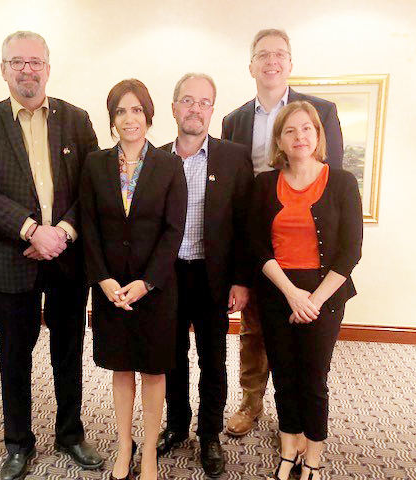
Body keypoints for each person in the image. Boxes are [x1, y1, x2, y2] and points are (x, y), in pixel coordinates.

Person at [0, 31, 102, 480]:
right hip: (10, 259)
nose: (27, 70)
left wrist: (61, 231)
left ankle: (71, 434)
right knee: (13, 357)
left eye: (35, 61)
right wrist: (30, 230)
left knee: (68, 352)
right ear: (3, 69)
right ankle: (18, 444)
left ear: (48, 66)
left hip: (66, 258)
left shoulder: (77, 121)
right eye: (17, 62)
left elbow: (92, 187)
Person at [222, 28, 345, 438]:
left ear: (290, 63)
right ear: (251, 65)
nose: (271, 61)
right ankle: (252, 402)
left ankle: (293, 419)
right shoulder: (234, 120)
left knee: (303, 338)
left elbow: (333, 184)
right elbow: (233, 193)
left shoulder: (320, 112)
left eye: (279, 54)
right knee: (255, 327)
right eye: (262, 55)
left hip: (306, 244)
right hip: (258, 240)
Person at [80, 79, 187, 480]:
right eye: (121, 111)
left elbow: (174, 230)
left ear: (149, 116)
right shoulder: (95, 164)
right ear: (112, 119)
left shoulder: (169, 165)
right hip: (110, 289)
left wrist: (147, 282)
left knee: (154, 370)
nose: (130, 118)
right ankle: (125, 447)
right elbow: (88, 227)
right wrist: (103, 280)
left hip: (154, 289)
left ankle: (149, 455)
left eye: (137, 110)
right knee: (121, 368)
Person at [250, 101, 362, 480]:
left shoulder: (343, 182)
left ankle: (312, 456)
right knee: (283, 375)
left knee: (313, 378)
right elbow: (256, 245)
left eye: (307, 129)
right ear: (279, 139)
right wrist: (291, 294)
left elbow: (351, 251)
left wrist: (313, 298)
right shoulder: (264, 183)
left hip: (325, 295)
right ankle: (288, 449)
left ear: (318, 135)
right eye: (290, 130)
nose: (300, 137)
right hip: (278, 291)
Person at [154, 73, 253, 478]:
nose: (196, 108)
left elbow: (246, 225)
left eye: (205, 102)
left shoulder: (233, 157)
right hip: (168, 276)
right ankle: (177, 426)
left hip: (213, 276)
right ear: (175, 106)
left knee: (214, 360)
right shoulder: (155, 157)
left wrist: (242, 279)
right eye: (188, 100)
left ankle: (209, 433)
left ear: (213, 109)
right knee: (172, 357)